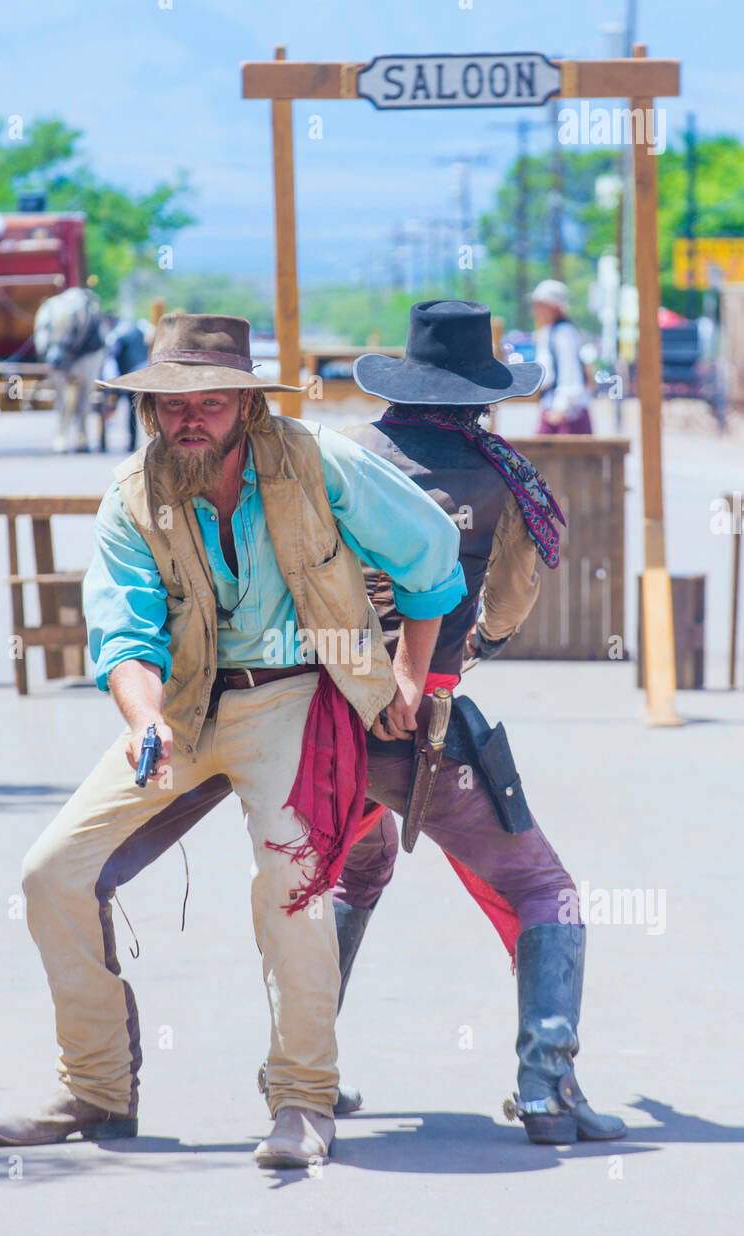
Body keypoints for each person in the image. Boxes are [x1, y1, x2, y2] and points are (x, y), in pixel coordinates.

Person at [122, 302, 626, 1146]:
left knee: (348, 876)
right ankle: (549, 1089)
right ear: (483, 394)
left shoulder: (340, 454)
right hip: (421, 715)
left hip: (314, 710)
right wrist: (452, 664)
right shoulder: (505, 475)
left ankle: (303, 1073)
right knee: (545, 891)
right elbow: (506, 604)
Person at [0, 312, 465, 1168]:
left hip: (297, 696)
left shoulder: (314, 461)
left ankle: (303, 1099)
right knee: (51, 872)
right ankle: (94, 1088)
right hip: (185, 708)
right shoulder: (132, 496)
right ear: (150, 412)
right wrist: (145, 720)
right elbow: (124, 636)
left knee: (292, 879)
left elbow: (433, 554)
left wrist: (413, 679)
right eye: (171, 403)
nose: (189, 416)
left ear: (246, 402)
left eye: (208, 399)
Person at [531, 279, 594, 435]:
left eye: (540, 305)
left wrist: (561, 407)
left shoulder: (564, 333)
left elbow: (570, 372)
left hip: (565, 414)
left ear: (553, 307)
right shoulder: (550, 332)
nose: (535, 311)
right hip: (553, 408)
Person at [103, 316, 149, 450]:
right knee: (135, 410)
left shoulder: (116, 334)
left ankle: (129, 443)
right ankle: (135, 443)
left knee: (123, 409)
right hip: (141, 373)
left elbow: (111, 360)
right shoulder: (140, 329)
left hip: (125, 375)